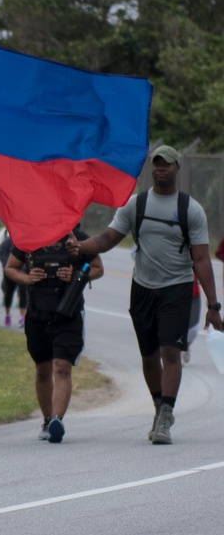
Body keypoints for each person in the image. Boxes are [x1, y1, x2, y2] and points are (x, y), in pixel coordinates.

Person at [68, 145, 223, 444]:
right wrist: (80, 247)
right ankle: (159, 406)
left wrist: (213, 305)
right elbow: (106, 239)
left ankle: (165, 416)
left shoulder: (190, 209)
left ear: (178, 168)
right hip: (142, 290)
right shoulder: (135, 205)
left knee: (170, 352)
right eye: (156, 164)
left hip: (176, 290)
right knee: (149, 357)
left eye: (167, 164)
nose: (160, 168)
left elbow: (202, 259)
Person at [5, 228, 104, 442]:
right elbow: (10, 268)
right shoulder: (29, 235)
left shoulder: (77, 239)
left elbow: (97, 268)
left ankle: (56, 421)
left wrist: (78, 275)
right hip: (37, 315)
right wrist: (27, 278)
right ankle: (47, 418)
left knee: (62, 366)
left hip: (68, 313)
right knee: (42, 369)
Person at [0, 228, 27, 328]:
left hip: (23, 272)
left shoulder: (28, 241)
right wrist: (7, 264)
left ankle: (22, 318)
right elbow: (0, 251)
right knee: (8, 292)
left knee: (23, 293)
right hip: (10, 272)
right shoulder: (10, 240)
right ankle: (7, 314)